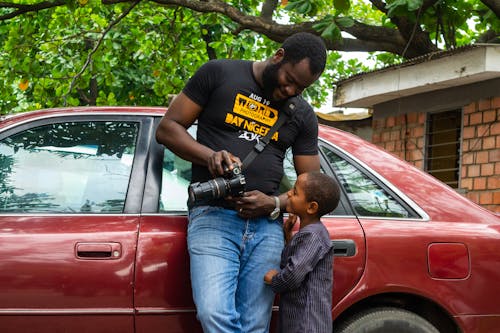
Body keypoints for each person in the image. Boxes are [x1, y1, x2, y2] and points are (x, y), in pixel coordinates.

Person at [155, 32, 327, 333]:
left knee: (254, 325)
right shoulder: (219, 73)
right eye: (288, 79)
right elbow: (168, 129)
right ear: (278, 56)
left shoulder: (301, 114)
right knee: (215, 315)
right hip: (212, 215)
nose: (290, 90)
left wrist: (273, 203)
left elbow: (314, 186)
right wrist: (209, 156)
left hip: (267, 227)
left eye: (300, 88)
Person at [264, 171, 340, 333]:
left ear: (311, 207)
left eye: (295, 192)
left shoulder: (313, 235)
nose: (289, 193)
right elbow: (301, 259)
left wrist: (274, 280)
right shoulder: (311, 233)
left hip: (306, 323)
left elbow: (294, 275)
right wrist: (288, 235)